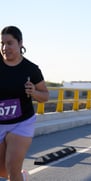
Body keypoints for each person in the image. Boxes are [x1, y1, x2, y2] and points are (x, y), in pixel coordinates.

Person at [0, 26, 49, 181]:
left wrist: (34, 92)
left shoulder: (31, 69)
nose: (4, 48)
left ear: (20, 43)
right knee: (2, 171)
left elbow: (45, 96)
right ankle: (22, 177)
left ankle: (17, 176)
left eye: (9, 43)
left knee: (12, 167)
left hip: (21, 123)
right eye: (2, 43)